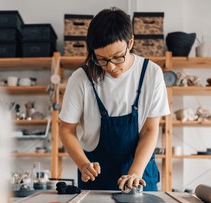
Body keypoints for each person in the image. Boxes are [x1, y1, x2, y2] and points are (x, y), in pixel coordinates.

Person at [59, 7, 169, 192]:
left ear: (130, 42)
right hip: (97, 176)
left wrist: (135, 172)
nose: (110, 66)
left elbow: (150, 130)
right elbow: (66, 130)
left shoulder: (151, 73)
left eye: (117, 57)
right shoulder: (81, 79)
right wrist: (83, 163)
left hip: (140, 172)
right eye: (101, 59)